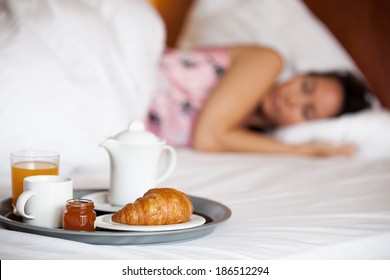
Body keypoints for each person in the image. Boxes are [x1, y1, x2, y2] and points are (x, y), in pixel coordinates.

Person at [145, 45, 372, 157]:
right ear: (299, 75)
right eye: (305, 86)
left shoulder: (244, 137)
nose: (292, 100)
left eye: (307, 112)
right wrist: (304, 151)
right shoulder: (267, 61)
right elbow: (207, 138)